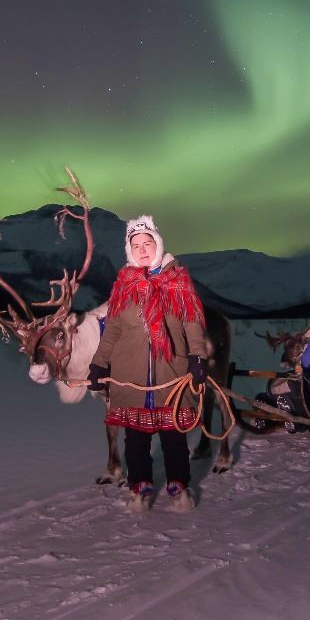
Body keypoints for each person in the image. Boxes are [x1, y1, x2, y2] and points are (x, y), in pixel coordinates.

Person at [87, 215, 207, 512]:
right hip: (132, 376)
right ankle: (138, 486)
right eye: (136, 245)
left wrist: (198, 357)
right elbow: (113, 329)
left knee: (174, 436)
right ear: (129, 251)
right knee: (135, 440)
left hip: (172, 373)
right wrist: (98, 364)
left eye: (147, 243)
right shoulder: (123, 285)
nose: (142, 249)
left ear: (158, 244)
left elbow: (192, 322)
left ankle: (179, 486)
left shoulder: (178, 280)